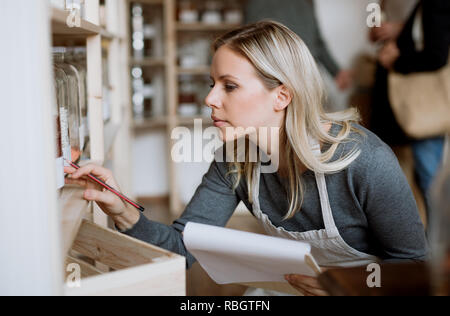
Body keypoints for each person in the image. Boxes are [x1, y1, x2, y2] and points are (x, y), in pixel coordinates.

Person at [65, 21, 428, 296]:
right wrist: (122, 208)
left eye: (230, 85)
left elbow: (414, 267)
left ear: (281, 96)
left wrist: (346, 286)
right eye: (212, 84)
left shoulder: (365, 161)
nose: (210, 99)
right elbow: (182, 248)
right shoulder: (234, 161)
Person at [375, 0, 449, 225]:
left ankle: (438, 248)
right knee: (426, 178)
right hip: (423, 110)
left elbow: (436, 56)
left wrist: (396, 61)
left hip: (424, 109)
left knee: (429, 180)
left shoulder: (434, 5)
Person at [244, 0, 353, 112]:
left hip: (308, 79)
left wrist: (336, 71)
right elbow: (250, 42)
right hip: (277, 79)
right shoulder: (257, 4)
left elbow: (318, 43)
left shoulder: (307, 3)